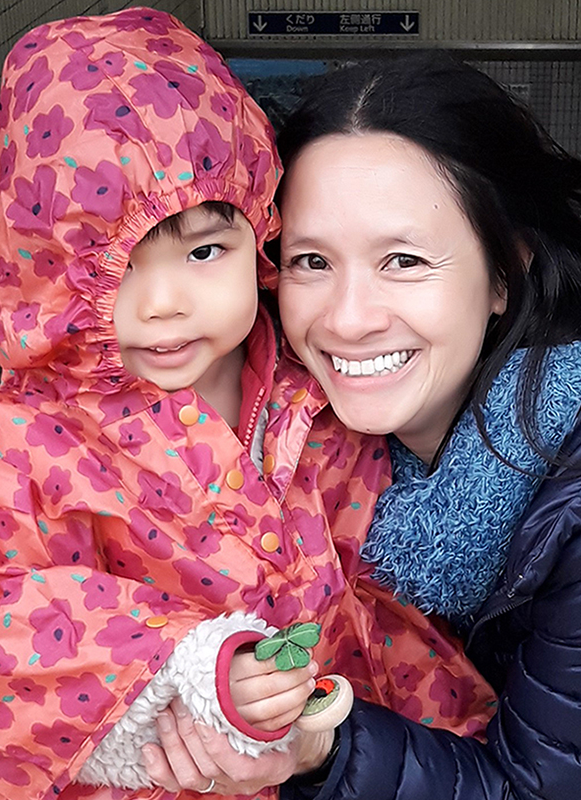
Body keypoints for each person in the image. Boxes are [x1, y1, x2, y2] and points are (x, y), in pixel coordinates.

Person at [0, 15, 495, 800]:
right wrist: (183, 663)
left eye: (203, 251)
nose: (164, 303)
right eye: (116, 263)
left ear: (259, 230)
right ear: (45, 268)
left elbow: (379, 598)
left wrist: (441, 731)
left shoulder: (315, 395)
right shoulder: (22, 445)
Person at [141, 54, 581, 800]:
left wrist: (324, 748)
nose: (347, 320)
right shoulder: (308, 445)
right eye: (312, 261)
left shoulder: (567, 507)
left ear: (506, 270)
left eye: (403, 261)